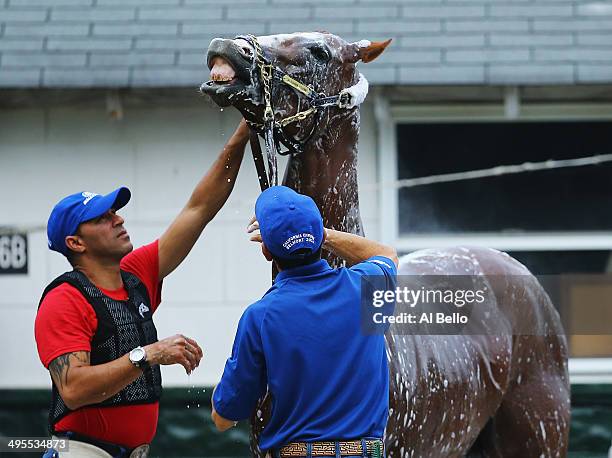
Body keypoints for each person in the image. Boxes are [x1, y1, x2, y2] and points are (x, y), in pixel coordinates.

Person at [35, 120, 250, 458]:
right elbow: (73, 389)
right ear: (75, 242)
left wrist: (243, 133)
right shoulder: (63, 299)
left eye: (115, 212)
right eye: (102, 218)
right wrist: (149, 354)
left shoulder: (134, 274)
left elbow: (200, 208)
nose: (118, 219)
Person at [211, 185, 398, 458]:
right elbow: (386, 254)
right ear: (321, 238)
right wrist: (323, 234)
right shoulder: (365, 287)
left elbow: (223, 418)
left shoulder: (260, 316)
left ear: (266, 252)